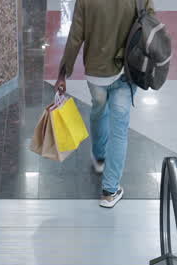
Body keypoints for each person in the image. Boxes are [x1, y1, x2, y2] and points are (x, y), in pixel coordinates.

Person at [56, 0, 154, 208]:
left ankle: (99, 156)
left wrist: (63, 73)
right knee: (119, 129)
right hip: (125, 71)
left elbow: (75, 37)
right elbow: (151, 24)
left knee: (99, 109)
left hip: (96, 73)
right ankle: (110, 191)